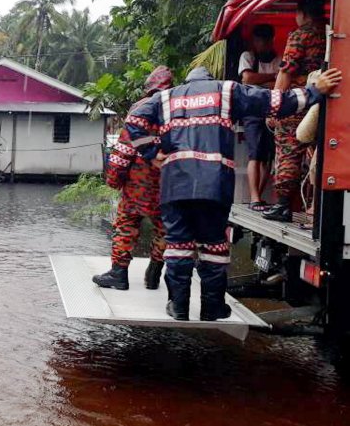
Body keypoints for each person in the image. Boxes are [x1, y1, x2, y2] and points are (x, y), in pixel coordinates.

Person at [126, 66, 341, 321]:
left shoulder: (165, 98)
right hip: (213, 185)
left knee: (178, 245)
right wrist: (315, 91)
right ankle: (212, 307)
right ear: (209, 80)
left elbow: (133, 122)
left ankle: (178, 305)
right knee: (214, 245)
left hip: (176, 185)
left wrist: (152, 153)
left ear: (187, 81)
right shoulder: (226, 90)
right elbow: (277, 103)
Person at [93, 66, 172, 291]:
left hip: (138, 182)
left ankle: (119, 274)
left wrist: (113, 180)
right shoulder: (177, 109)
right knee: (164, 228)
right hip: (168, 183)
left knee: (127, 225)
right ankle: (155, 272)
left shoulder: (141, 108)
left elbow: (123, 150)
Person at [264, 0, 328, 222]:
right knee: (320, 154)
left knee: (289, 149)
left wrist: (276, 107)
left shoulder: (300, 35)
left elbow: (286, 71)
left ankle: (283, 205)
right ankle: (317, 205)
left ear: (302, 13)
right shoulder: (331, 33)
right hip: (327, 101)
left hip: (299, 101)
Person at [238, 24, 280, 212]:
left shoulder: (278, 58)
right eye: (258, 40)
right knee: (255, 153)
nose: (262, 43)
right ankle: (255, 198)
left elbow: (283, 82)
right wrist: (273, 77)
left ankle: (260, 197)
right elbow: (247, 79)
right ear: (254, 41)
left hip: (274, 108)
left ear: (271, 40)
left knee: (268, 156)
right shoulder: (248, 57)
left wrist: (260, 79)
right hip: (253, 109)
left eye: (265, 39)